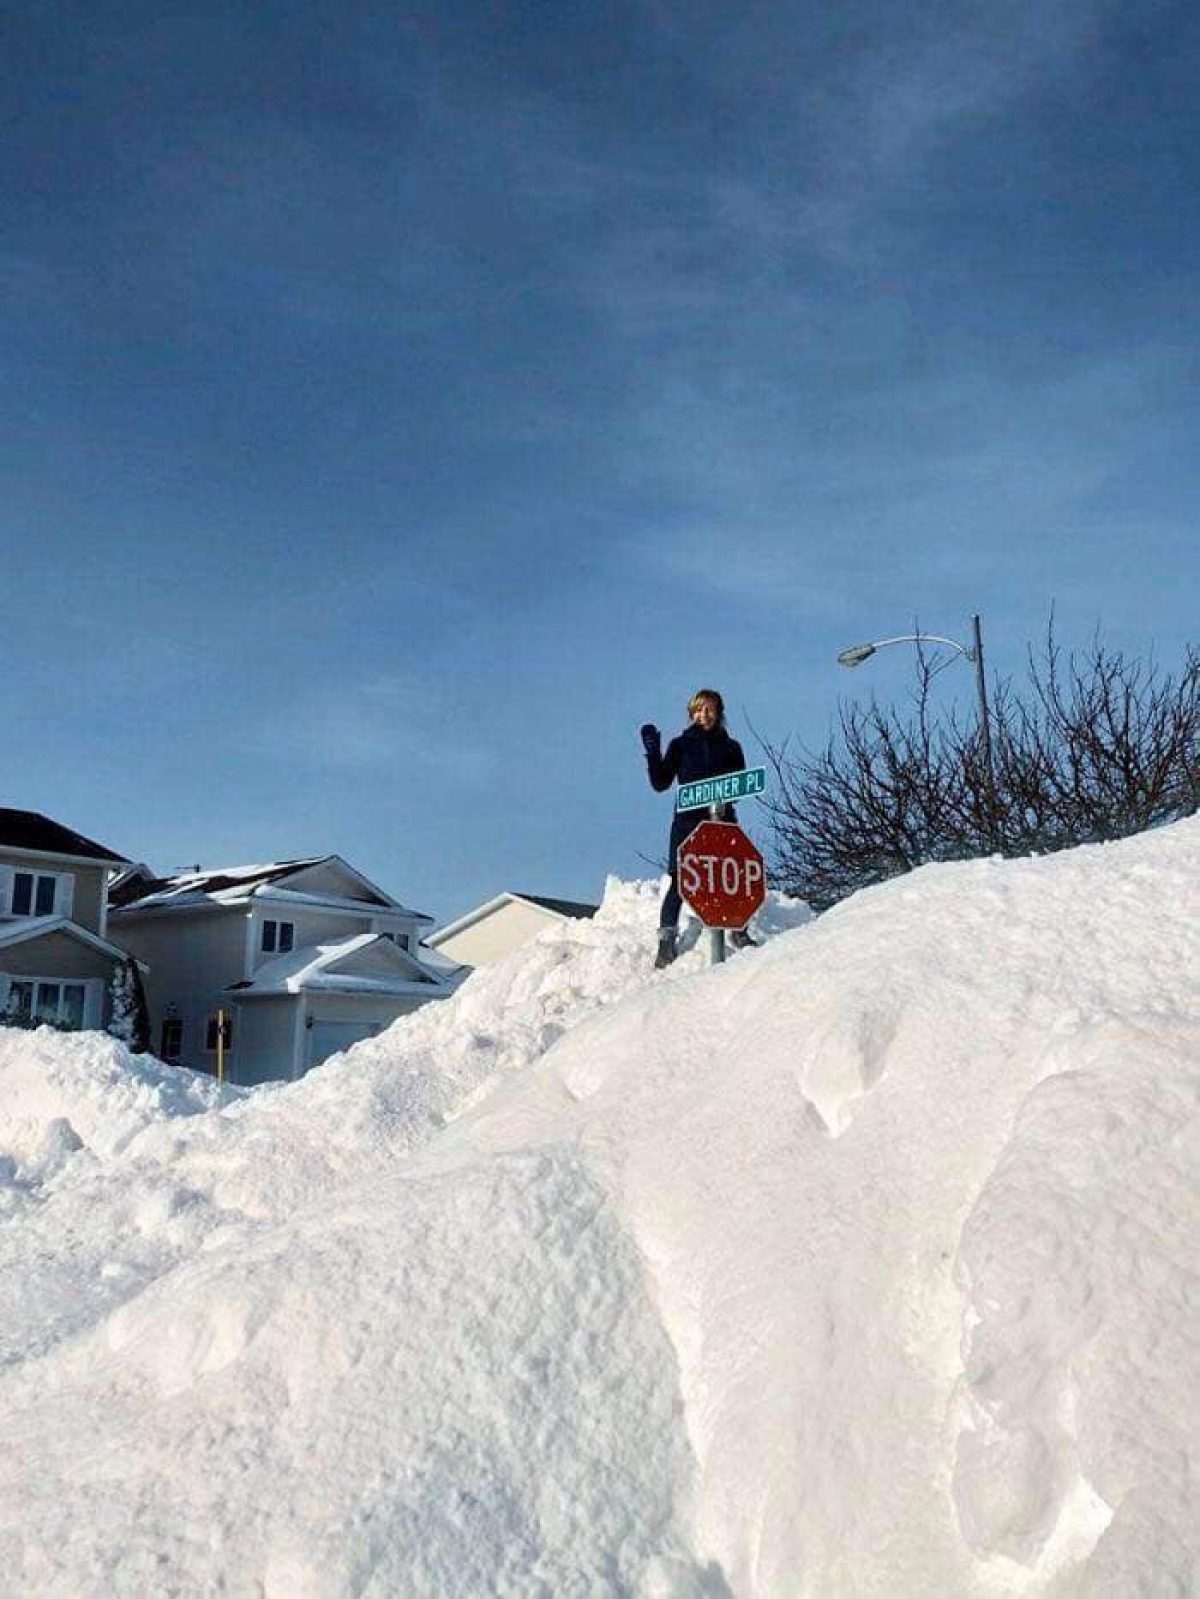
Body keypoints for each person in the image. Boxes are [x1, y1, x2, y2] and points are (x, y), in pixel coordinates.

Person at [640, 687, 756, 968]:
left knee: (735, 875)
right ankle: (666, 941)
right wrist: (654, 753)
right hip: (688, 825)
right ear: (692, 713)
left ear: (719, 713)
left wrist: (717, 797)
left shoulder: (731, 747)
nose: (704, 715)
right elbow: (660, 783)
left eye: (710, 709)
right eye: (699, 709)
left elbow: (739, 786)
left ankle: (739, 932)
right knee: (681, 880)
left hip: (723, 823)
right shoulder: (681, 745)